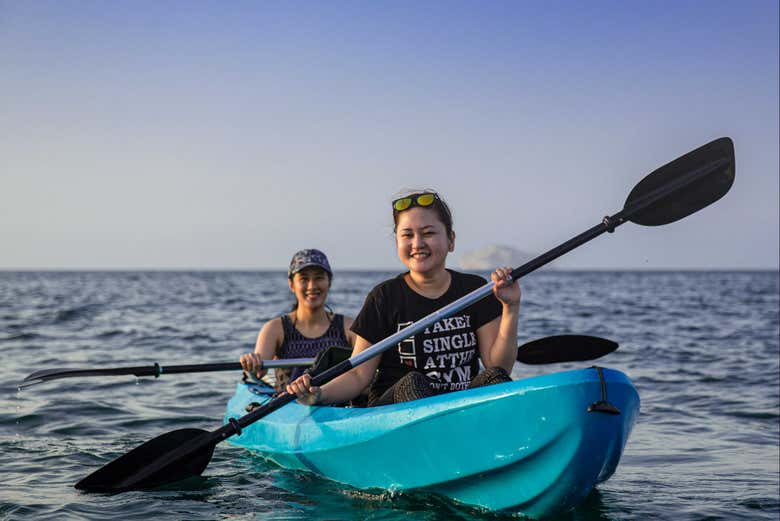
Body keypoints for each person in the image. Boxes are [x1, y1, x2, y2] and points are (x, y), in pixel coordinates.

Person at [286, 191, 521, 407]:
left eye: (428, 233)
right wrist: (317, 394)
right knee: (413, 382)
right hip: (394, 413)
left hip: (455, 408)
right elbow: (358, 375)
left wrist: (510, 307)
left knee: (495, 377)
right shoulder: (384, 297)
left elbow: (498, 365)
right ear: (398, 242)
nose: (417, 244)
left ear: (451, 240)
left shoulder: (474, 290)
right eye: (407, 235)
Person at [239, 249, 356, 393]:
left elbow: (365, 371)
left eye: (319, 278)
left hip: (339, 406)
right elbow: (258, 374)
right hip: (288, 406)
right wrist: (251, 363)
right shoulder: (274, 329)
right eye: (304, 279)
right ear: (291, 284)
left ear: (329, 282)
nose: (312, 286)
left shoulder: (349, 328)